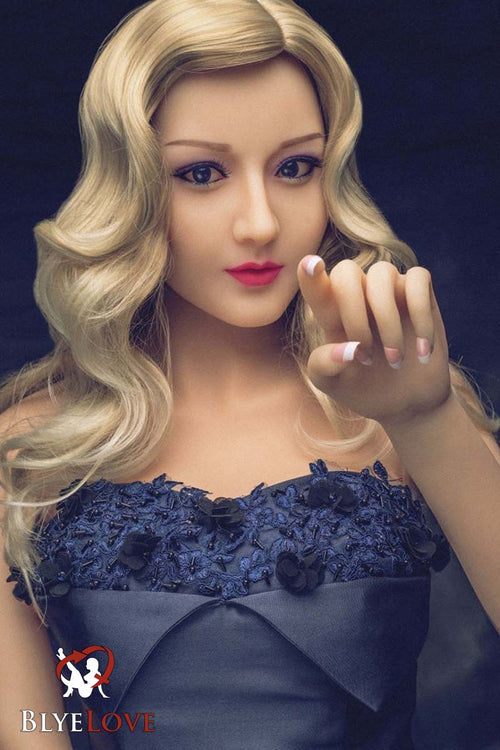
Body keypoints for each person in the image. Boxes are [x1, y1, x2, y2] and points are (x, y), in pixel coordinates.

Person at [0, 0, 499, 747]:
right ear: (131, 187)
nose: (261, 222)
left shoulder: (400, 408)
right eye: (202, 173)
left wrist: (426, 422)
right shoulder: (30, 454)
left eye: (296, 167)